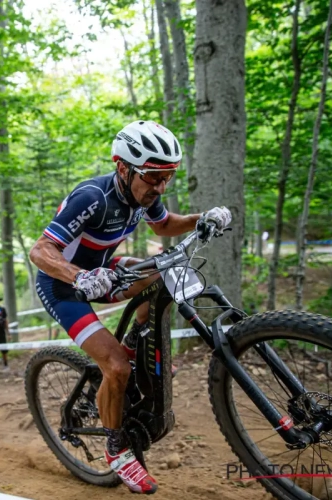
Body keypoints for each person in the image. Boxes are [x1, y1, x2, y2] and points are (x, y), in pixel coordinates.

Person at [29, 120, 232, 495]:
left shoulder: (144, 195)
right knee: (116, 367)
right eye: (154, 176)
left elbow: (165, 225)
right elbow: (41, 250)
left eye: (168, 176)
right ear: (123, 167)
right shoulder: (92, 197)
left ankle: (138, 348)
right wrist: (77, 278)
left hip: (102, 272)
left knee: (160, 274)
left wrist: (201, 219)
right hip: (62, 286)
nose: (160, 186)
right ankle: (116, 449)